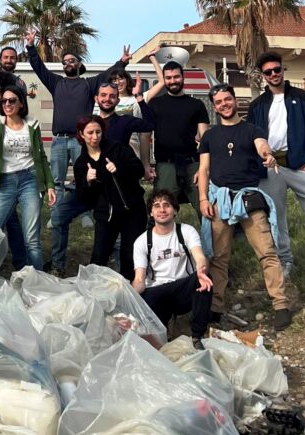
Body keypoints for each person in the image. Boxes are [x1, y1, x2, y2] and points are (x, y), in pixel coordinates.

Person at [26, 29, 131, 276]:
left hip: (81, 142)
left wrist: (122, 62)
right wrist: (31, 47)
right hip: (60, 141)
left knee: (92, 184)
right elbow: (39, 68)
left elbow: (107, 75)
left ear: (79, 64)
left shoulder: (88, 84)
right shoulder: (57, 83)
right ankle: (59, 218)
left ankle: (90, 215)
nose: (68, 64)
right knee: (58, 184)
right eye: (64, 62)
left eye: (72, 60)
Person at [198, 84, 291, 331]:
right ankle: (215, 308)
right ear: (214, 107)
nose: (224, 104)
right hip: (220, 200)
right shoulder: (210, 135)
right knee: (219, 258)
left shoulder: (252, 129)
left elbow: (262, 145)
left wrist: (267, 154)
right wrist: (204, 200)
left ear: (235, 100)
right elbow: (204, 170)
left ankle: (280, 305)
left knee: (267, 252)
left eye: (227, 99)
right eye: (218, 102)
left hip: (249, 199)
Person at [248, 51, 305, 276]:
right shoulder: (256, 106)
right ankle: (285, 260)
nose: (274, 74)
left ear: (283, 69)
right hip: (271, 166)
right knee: (277, 215)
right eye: (268, 72)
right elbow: (249, 137)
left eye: (277, 69)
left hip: (301, 163)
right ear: (262, 76)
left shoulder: (304, 98)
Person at [0, 86, 56, 271]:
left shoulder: (32, 124)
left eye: (12, 100)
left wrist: (49, 185)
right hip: (5, 182)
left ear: (21, 103)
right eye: (4, 101)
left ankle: (36, 283)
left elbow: (41, 156)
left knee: (31, 239)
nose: (7, 104)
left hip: (30, 180)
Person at [132, 190, 213, 349]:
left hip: (182, 289)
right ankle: (162, 334)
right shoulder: (142, 241)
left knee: (204, 279)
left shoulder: (186, 231)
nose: (162, 210)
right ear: (151, 213)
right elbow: (140, 280)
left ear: (175, 210)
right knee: (157, 342)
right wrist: (129, 296)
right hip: (157, 292)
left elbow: (199, 256)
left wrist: (202, 270)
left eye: (167, 205)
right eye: (157, 206)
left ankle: (197, 336)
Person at [72, 115, 146, 280]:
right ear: (81, 135)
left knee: (130, 255)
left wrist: (119, 168)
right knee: (99, 256)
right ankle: (93, 294)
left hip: (132, 209)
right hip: (106, 214)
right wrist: (88, 181)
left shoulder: (117, 148)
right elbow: (83, 197)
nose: (95, 136)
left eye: (98, 132)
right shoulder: (81, 163)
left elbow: (139, 170)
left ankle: (130, 294)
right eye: (90, 132)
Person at [150, 60, 210, 218]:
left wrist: (204, 167)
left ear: (183, 77)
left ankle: (212, 242)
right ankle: (159, 243)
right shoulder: (155, 104)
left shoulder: (196, 105)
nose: (172, 81)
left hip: (193, 164)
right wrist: (145, 164)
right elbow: (145, 135)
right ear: (164, 79)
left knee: (207, 209)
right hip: (165, 164)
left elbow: (205, 138)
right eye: (168, 78)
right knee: (160, 211)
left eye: (176, 77)